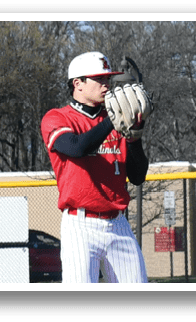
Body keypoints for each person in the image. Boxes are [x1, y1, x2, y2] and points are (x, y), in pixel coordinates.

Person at [40, 51, 149, 283]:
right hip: (80, 224)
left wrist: (135, 138)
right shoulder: (57, 117)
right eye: (99, 79)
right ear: (77, 83)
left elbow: (138, 176)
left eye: (108, 79)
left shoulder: (117, 119)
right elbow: (77, 148)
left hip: (118, 222)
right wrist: (113, 118)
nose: (107, 84)